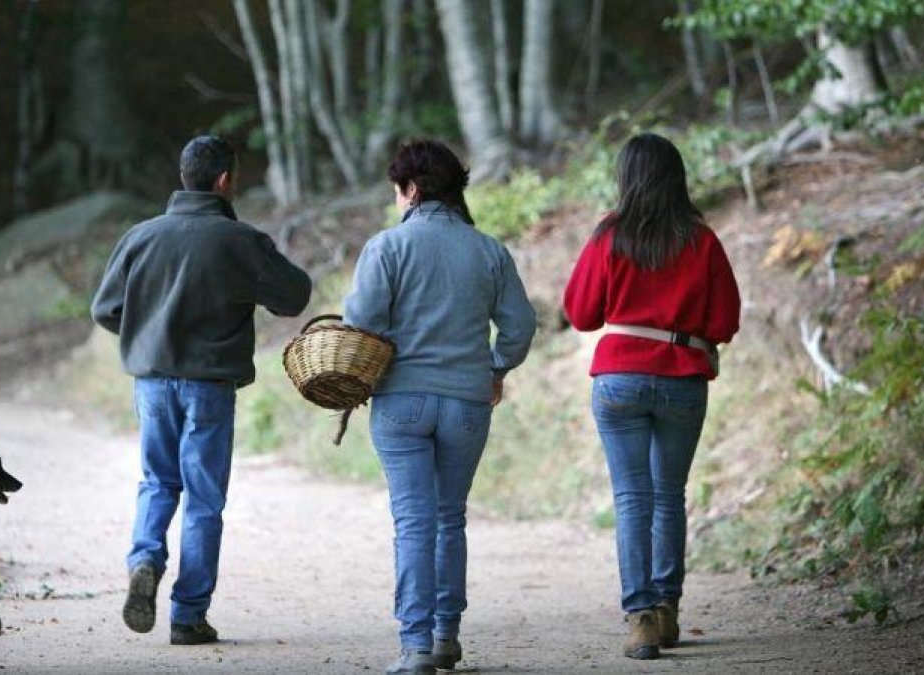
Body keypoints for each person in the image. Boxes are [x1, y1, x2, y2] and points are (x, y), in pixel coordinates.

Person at [91, 136, 312, 645]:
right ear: (225, 181)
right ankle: (188, 616)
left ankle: (145, 558)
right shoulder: (239, 242)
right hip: (209, 387)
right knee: (204, 500)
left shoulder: (140, 237)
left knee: (157, 482)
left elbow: (105, 309)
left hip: (152, 384)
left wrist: (146, 332)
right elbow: (294, 296)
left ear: (184, 176)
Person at [344, 139, 537, 675]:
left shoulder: (386, 248)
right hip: (468, 402)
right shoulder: (488, 250)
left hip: (401, 401)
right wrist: (495, 368)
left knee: (413, 522)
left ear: (411, 189)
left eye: (397, 191)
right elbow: (520, 326)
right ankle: (447, 635)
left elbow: (360, 322)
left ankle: (415, 647)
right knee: (449, 517)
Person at [563, 133, 740, 660]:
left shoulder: (608, 237)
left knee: (632, 499)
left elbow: (581, 313)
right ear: (676, 177)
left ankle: (639, 618)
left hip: (619, 378)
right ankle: (667, 611)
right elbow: (725, 321)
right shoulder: (701, 240)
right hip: (682, 376)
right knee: (669, 495)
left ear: (627, 178)